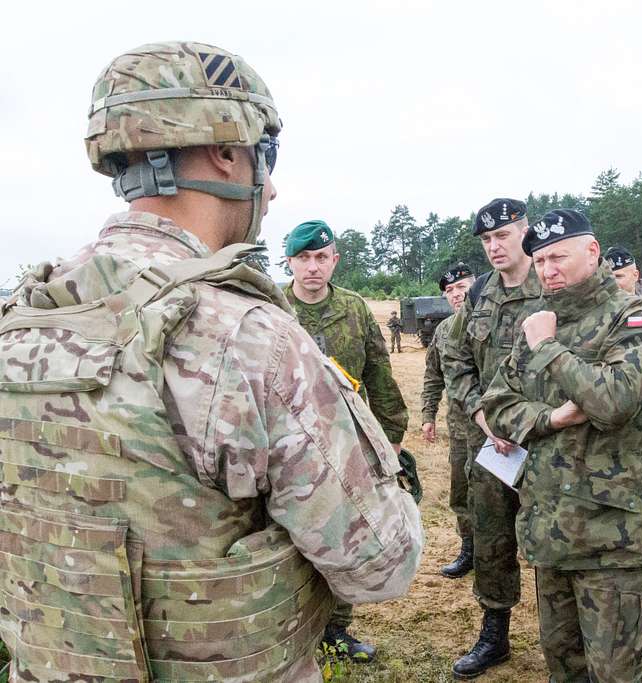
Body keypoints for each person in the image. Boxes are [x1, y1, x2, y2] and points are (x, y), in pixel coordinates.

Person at [0, 41, 422, 681]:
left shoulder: (19, 323)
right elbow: (380, 564)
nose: (271, 187)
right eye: (265, 159)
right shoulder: (249, 336)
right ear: (229, 152)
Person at [482, 209, 642, 682]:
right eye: (541, 260)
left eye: (558, 257)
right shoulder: (539, 321)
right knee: (562, 666)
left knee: (614, 672)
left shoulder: (634, 318)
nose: (548, 270)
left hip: (614, 539)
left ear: (593, 252)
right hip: (550, 530)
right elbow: (494, 405)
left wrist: (548, 349)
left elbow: (612, 401)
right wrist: (549, 418)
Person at [283, 218, 410, 661]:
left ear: (335, 260)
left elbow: (379, 372)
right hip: (288, 448)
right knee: (288, 538)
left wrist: (392, 436)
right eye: (303, 258)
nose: (313, 267)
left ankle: (336, 629)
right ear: (289, 262)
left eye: (321, 258)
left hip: (347, 445)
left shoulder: (355, 309)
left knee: (345, 535)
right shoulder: (271, 308)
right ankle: (293, 630)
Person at [442, 197, 542, 678]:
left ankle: (567, 634)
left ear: (526, 231)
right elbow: (455, 358)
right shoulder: (480, 293)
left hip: (549, 442)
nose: (494, 246)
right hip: (494, 444)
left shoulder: (555, 286)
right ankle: (494, 632)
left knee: (552, 537)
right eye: (486, 240)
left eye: (502, 235)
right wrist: (481, 414)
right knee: (492, 537)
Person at [422, 262, 476, 578]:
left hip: (499, 431)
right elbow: (433, 376)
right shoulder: (443, 332)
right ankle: (469, 551)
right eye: (449, 291)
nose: (456, 295)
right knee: (462, 494)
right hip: (460, 430)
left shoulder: (496, 324)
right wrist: (428, 415)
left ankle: (506, 553)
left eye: (462, 287)